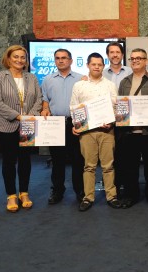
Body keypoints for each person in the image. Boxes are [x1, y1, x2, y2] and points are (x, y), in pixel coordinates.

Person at [0, 45, 42, 212]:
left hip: (27, 125)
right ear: (8, 58)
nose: (19, 60)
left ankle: (24, 193)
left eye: (22, 57)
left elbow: (38, 99)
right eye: (16, 57)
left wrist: (29, 116)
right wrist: (18, 116)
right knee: (9, 161)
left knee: (25, 160)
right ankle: (11, 195)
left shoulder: (31, 78)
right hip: (6, 125)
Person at [71, 52, 121, 211]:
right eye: (94, 64)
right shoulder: (79, 85)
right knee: (89, 166)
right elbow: (74, 107)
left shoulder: (110, 85)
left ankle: (111, 196)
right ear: (88, 65)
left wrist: (111, 122)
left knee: (108, 166)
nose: (97, 67)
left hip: (107, 131)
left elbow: (116, 108)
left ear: (103, 66)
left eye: (100, 64)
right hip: (87, 133)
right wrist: (76, 125)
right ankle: (88, 197)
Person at [117, 48, 148, 208]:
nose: (135, 61)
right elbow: (121, 106)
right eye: (132, 59)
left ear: (146, 61)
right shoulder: (124, 82)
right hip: (129, 132)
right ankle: (131, 195)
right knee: (130, 166)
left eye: (139, 58)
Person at [40, 49, 85, 204]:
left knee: (78, 160)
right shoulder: (47, 79)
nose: (60, 61)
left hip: (75, 124)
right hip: (55, 124)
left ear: (71, 61)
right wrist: (45, 108)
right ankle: (58, 190)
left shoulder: (81, 79)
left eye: (64, 58)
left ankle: (79, 190)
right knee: (57, 160)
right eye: (57, 58)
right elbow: (45, 100)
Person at [102, 41, 133, 195]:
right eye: (111, 52)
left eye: (117, 52)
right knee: (108, 155)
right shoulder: (101, 72)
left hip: (125, 118)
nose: (115, 55)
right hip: (105, 118)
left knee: (123, 155)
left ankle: (124, 187)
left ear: (122, 54)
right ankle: (111, 186)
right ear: (107, 55)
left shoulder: (130, 71)